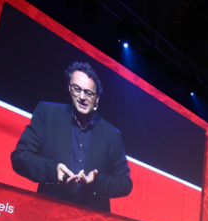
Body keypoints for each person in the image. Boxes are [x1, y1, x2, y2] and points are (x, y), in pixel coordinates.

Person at [11, 61, 132, 211]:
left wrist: (96, 182)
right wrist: (53, 170)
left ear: (97, 98)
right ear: (69, 88)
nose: (82, 97)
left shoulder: (112, 134)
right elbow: (20, 157)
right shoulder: (47, 113)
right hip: (46, 216)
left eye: (88, 92)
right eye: (77, 89)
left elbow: (125, 183)